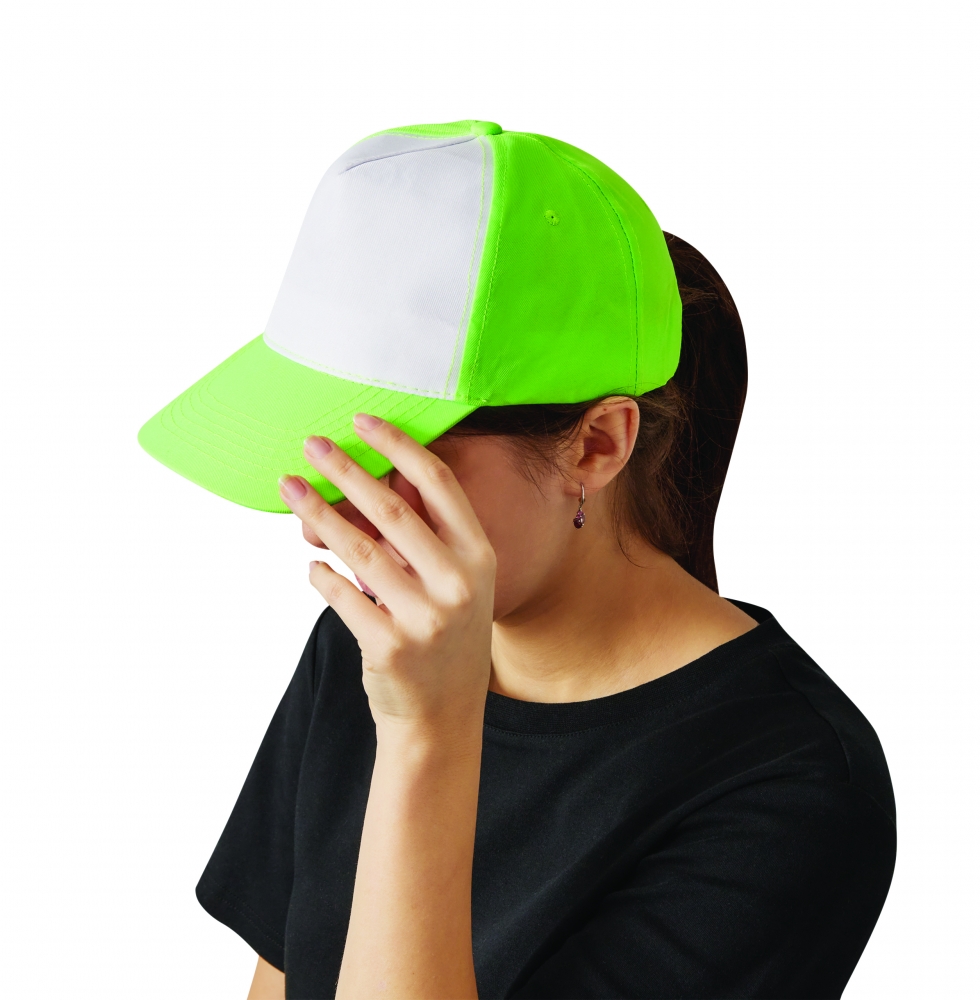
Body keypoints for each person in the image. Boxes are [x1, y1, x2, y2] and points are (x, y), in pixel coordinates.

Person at [139, 121, 896, 999]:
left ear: (597, 445)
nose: (331, 530)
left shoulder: (789, 781)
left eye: (394, 463)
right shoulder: (371, 642)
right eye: (324, 460)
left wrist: (426, 735)